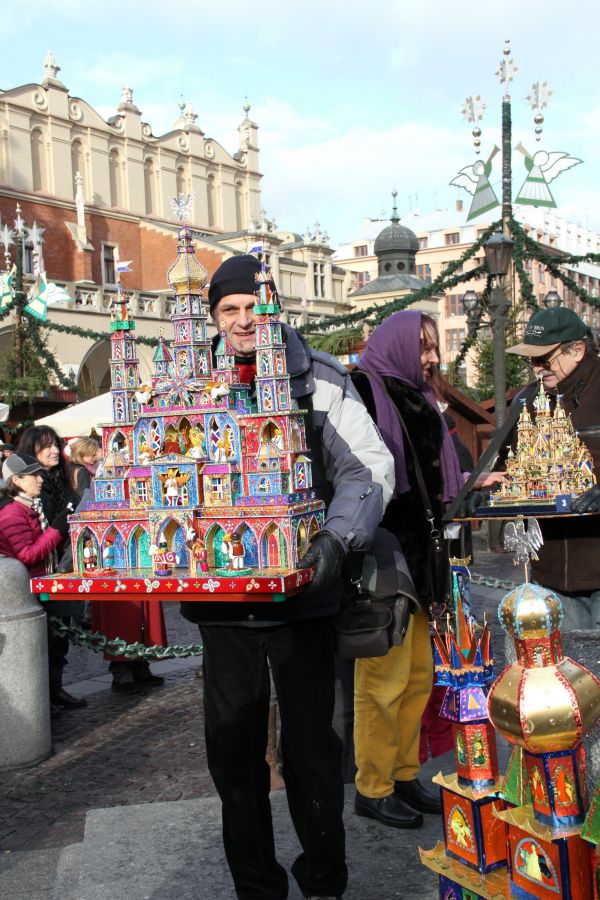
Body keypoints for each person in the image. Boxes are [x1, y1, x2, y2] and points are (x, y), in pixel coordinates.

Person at [180, 254, 394, 900]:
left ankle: (324, 878)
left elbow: (369, 467)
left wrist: (335, 537)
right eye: (229, 310)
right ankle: (257, 886)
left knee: (311, 751)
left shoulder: (318, 379)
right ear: (215, 317)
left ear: (273, 308)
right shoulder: (188, 384)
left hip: (303, 600)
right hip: (222, 607)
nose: (243, 321)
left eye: (253, 307)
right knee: (233, 754)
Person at [349, 310, 501, 830]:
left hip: (423, 558)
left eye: (434, 347)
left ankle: (403, 773)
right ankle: (372, 786)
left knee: (416, 678)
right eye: (423, 347)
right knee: (382, 681)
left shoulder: (417, 398)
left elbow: (434, 477)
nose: (433, 358)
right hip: (385, 559)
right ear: (397, 345)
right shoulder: (365, 391)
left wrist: (471, 484)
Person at [495, 306, 600, 631]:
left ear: (578, 350)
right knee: (571, 675)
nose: (536, 368)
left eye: (543, 359)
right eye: (531, 361)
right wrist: (486, 491)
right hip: (552, 573)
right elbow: (507, 468)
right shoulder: (527, 401)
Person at [16, 426, 87, 711]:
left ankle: (55, 689)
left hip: (64, 566)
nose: (55, 451)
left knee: (61, 634)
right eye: (46, 446)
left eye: (56, 445)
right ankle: (43, 696)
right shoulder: (31, 488)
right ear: (31, 451)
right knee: (45, 636)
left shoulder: (60, 480)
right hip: (42, 570)